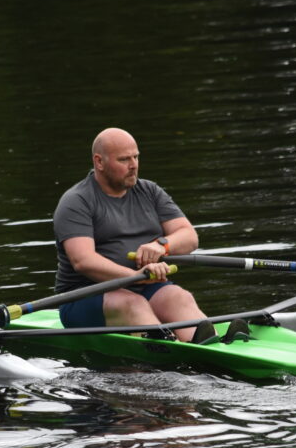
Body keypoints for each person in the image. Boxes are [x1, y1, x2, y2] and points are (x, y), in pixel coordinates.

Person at [52, 127, 216, 343]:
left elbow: (189, 236)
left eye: (136, 157)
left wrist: (161, 245)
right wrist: (137, 277)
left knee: (179, 296)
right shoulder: (76, 201)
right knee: (132, 304)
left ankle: (208, 346)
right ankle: (167, 355)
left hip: (143, 286)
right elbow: (83, 261)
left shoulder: (150, 191)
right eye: (124, 160)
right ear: (99, 162)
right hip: (84, 297)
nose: (134, 165)